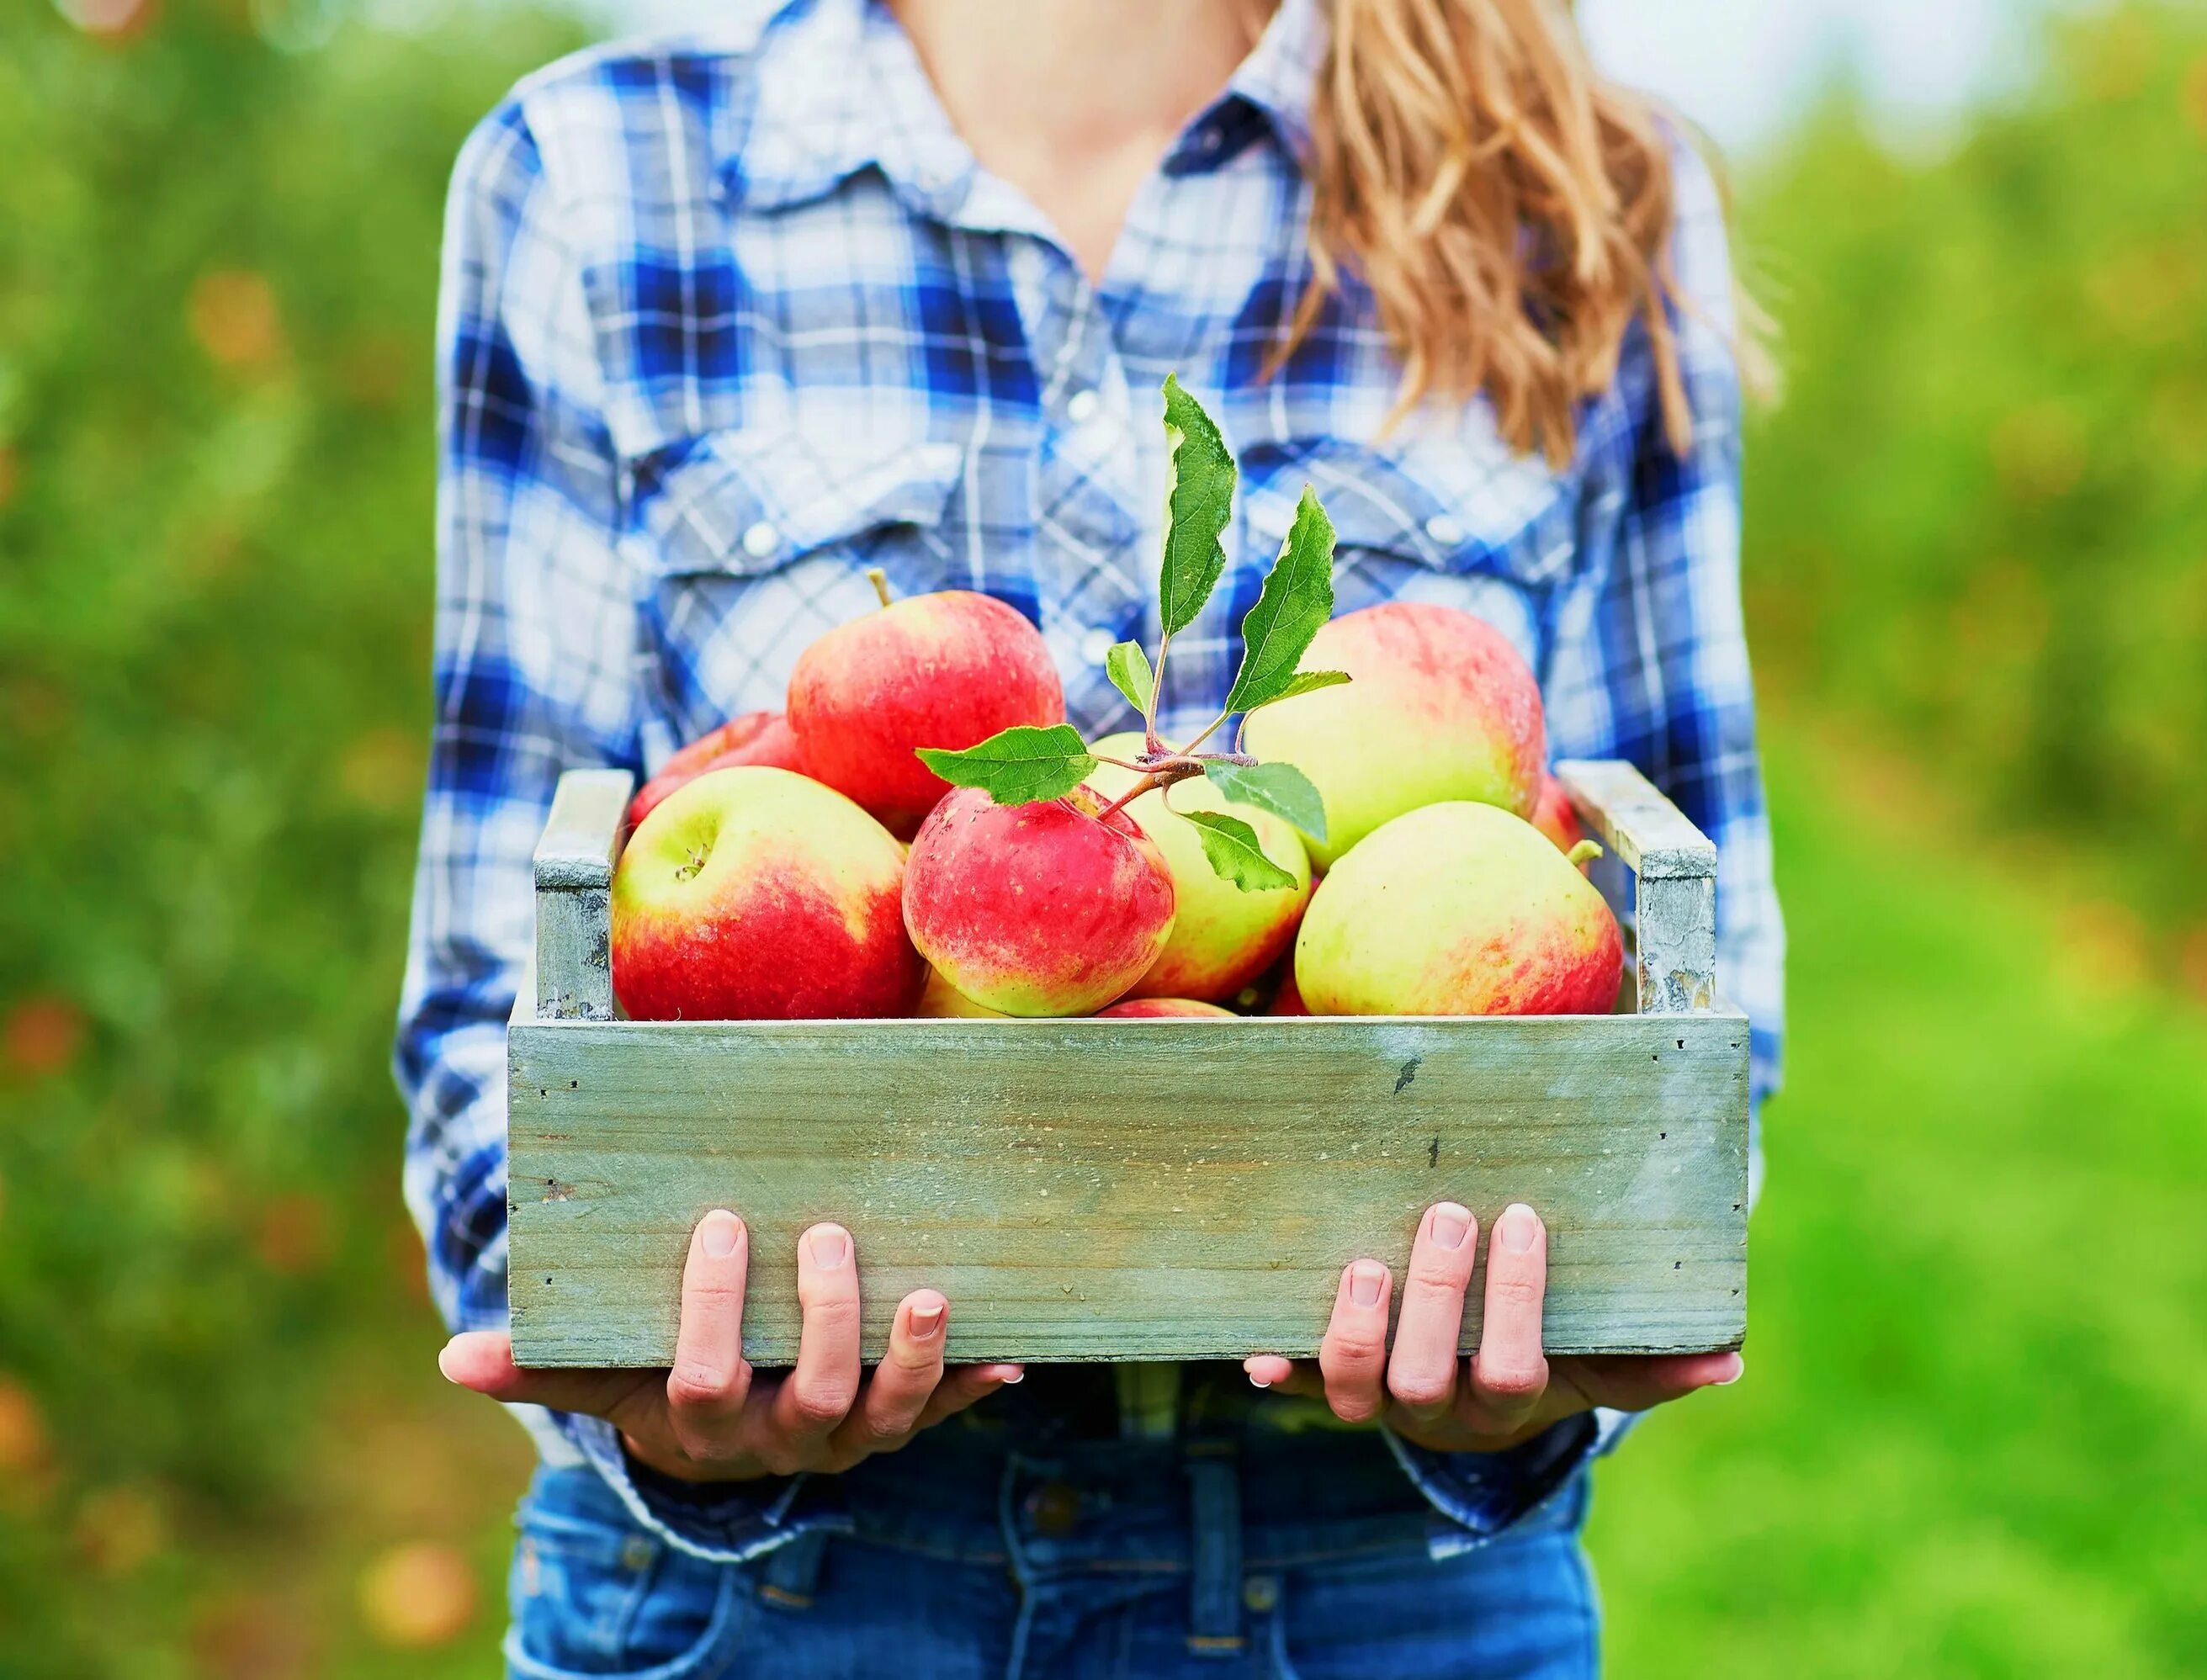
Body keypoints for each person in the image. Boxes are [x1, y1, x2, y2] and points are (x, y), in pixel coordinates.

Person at [398, 0, 1785, 1672]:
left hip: (1375, 1575)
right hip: (771, 1596)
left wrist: (1543, 1366)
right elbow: (494, 977)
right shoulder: (602, 179)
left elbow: (1693, 976)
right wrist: (633, 1363)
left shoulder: (1566, 188)